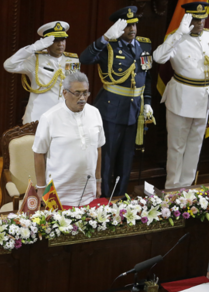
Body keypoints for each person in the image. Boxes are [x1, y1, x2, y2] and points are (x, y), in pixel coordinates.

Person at [80, 6, 153, 197]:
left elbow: (147, 77)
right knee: (107, 156)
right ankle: (104, 197)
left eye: (134, 24)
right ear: (119, 28)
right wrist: (104, 38)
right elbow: (84, 59)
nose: (132, 29)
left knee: (127, 157)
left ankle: (120, 196)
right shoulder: (109, 47)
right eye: (128, 25)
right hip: (111, 109)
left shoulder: (144, 46)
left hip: (133, 110)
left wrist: (147, 102)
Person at [152, 2, 209, 189]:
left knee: (195, 146)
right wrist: (179, 34)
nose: (200, 24)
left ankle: (187, 187)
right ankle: (173, 188)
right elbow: (158, 58)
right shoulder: (177, 38)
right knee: (176, 147)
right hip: (181, 98)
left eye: (202, 19)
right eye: (196, 20)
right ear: (187, 19)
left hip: (203, 97)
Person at [32, 72, 105, 206]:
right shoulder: (49, 118)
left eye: (85, 93)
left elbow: (98, 149)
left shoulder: (95, 113)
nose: (82, 98)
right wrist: (41, 188)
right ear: (65, 93)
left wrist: (98, 181)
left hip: (88, 190)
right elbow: (39, 153)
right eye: (77, 93)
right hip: (58, 194)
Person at [4, 21, 80, 124]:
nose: (60, 44)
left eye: (63, 40)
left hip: (63, 117)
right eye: (55, 40)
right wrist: (33, 47)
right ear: (47, 43)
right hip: (38, 116)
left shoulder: (72, 60)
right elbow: (8, 65)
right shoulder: (35, 60)